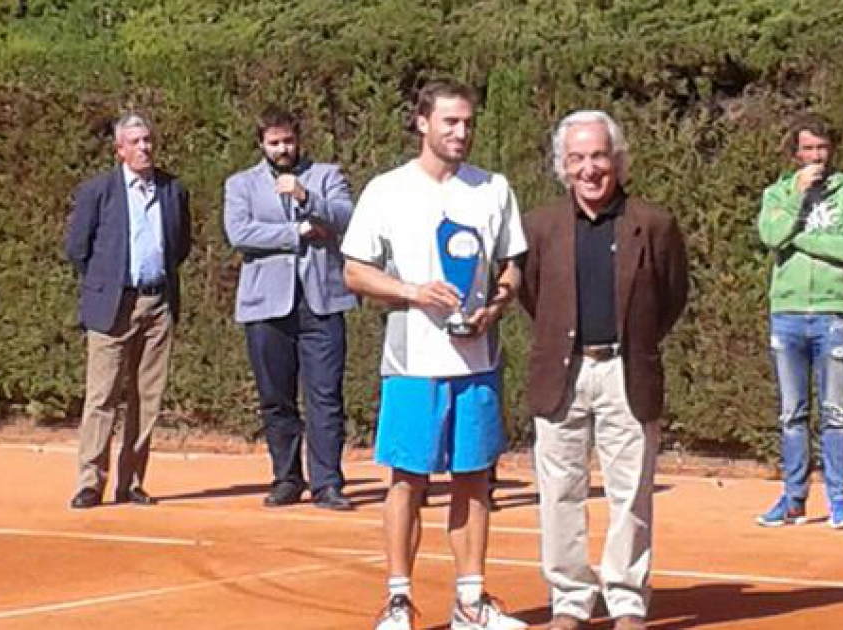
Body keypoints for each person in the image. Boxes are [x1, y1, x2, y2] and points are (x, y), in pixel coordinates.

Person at [342, 79, 527, 630]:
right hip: (412, 365)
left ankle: (471, 602)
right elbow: (354, 270)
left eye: (468, 122)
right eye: (450, 122)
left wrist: (497, 302)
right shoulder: (386, 190)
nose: (461, 132)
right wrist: (413, 292)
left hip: (477, 364)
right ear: (422, 122)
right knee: (407, 480)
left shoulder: (493, 188)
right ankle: (399, 601)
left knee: (475, 479)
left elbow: (512, 265)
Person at [519, 111, 688, 630]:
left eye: (598, 156)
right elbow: (531, 295)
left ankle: (627, 601)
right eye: (577, 158)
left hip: (626, 372)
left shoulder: (654, 224)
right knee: (559, 492)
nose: (589, 169)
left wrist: (633, 345)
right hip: (561, 376)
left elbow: (672, 296)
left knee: (631, 492)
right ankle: (569, 602)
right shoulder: (539, 226)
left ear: (617, 160)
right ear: (562, 166)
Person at [223, 106, 357, 511]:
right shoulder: (241, 184)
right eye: (274, 142)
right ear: (262, 144)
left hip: (321, 301)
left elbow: (347, 216)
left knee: (325, 395)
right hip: (266, 304)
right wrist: (297, 231)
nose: (282, 149)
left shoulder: (326, 176)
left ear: (299, 140)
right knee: (276, 396)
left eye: (288, 141)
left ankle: (327, 482)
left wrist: (305, 198)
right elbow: (239, 232)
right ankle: (286, 477)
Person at [65, 113, 191, 509]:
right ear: (120, 150)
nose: (144, 148)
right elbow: (77, 248)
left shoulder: (173, 190)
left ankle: (132, 481)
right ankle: (90, 482)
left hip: (158, 303)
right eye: (135, 142)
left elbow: (181, 245)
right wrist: (107, 281)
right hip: (112, 305)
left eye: (148, 140)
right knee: (101, 396)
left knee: (146, 397)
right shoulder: (98, 191)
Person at [756, 116, 843, 530]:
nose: (816, 157)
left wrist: (799, 238)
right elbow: (770, 235)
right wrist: (795, 200)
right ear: (795, 153)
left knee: (836, 413)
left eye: (821, 149)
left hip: (833, 314)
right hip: (786, 315)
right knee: (792, 414)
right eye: (808, 149)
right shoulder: (778, 193)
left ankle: (839, 502)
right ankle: (793, 499)